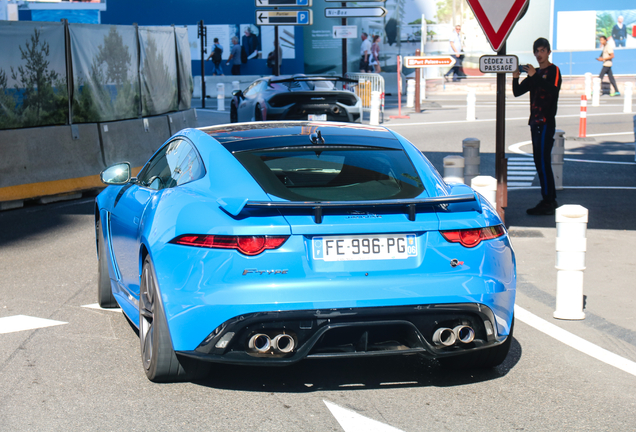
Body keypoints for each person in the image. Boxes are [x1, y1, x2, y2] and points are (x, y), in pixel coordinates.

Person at [512, 37, 562, 216]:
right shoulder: (534, 73)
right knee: (539, 161)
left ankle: (548, 200)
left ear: (548, 52)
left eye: (542, 51)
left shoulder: (554, 70)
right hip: (534, 122)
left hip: (546, 123)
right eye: (537, 51)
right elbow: (517, 92)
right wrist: (516, 78)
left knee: (543, 161)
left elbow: (553, 90)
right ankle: (550, 198)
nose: (539, 54)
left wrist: (535, 76)